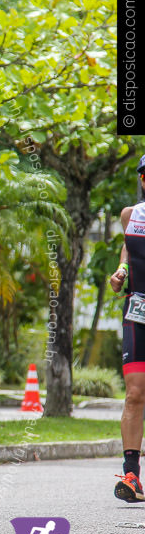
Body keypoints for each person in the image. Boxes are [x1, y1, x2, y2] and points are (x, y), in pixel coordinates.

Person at [109, 157, 145, 503]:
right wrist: (121, 271)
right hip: (137, 311)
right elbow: (128, 248)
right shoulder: (130, 214)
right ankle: (132, 475)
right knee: (135, 393)